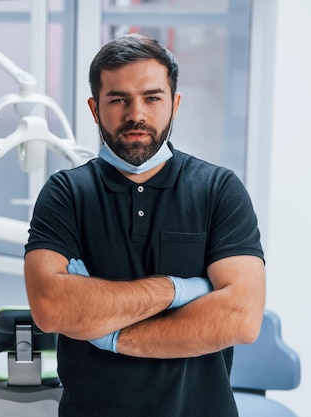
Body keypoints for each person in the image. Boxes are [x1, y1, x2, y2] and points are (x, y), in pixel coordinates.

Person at [24, 33, 265, 417]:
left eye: (152, 98)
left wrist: (111, 336)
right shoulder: (66, 193)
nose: (136, 114)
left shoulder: (218, 189)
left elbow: (241, 318)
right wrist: (178, 289)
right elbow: (52, 308)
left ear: (175, 104)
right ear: (94, 108)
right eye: (118, 99)